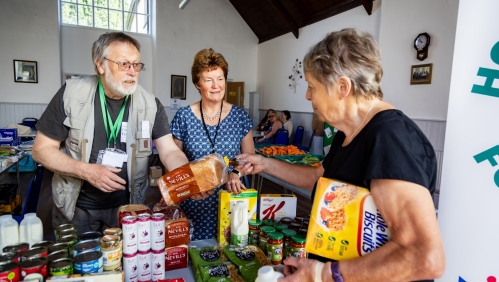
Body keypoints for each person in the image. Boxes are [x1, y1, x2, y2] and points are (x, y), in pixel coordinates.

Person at [237, 28, 445, 282]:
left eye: (312, 86)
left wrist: (324, 273)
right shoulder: (346, 134)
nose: (307, 95)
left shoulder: (391, 138)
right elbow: (318, 179)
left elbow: (423, 256)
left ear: (342, 87)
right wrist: (265, 164)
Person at [32, 32, 189, 234]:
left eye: (136, 65)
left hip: (128, 209)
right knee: (80, 264)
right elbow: (41, 150)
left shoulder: (150, 104)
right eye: (123, 64)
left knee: (126, 264)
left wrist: (189, 178)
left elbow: (169, 151)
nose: (132, 72)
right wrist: (86, 171)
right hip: (76, 209)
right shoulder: (70, 95)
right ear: (100, 65)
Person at [169, 48, 255, 240]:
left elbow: (250, 159)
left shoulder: (240, 117)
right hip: (194, 201)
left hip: (230, 201)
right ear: (197, 84)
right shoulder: (184, 117)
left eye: (220, 78)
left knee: (231, 255)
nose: (216, 85)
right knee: (196, 259)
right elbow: (172, 161)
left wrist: (236, 172)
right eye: (209, 80)